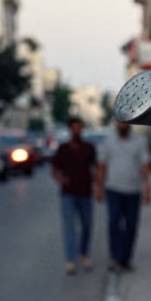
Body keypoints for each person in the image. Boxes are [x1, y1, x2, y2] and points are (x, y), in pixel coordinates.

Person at [96, 120, 151, 273]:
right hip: (113, 189)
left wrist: (147, 188)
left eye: (124, 123)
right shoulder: (108, 142)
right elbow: (101, 165)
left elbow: (144, 165)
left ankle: (126, 259)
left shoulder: (140, 141)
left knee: (131, 225)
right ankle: (115, 258)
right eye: (119, 123)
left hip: (133, 190)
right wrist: (99, 188)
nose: (122, 126)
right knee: (114, 222)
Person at [51, 117, 97, 274]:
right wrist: (61, 180)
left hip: (85, 192)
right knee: (69, 227)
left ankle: (84, 254)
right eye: (74, 128)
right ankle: (71, 260)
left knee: (87, 225)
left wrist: (98, 186)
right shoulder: (63, 149)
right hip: (68, 194)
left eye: (79, 127)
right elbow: (54, 169)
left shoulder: (89, 148)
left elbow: (96, 168)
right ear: (70, 130)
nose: (77, 130)